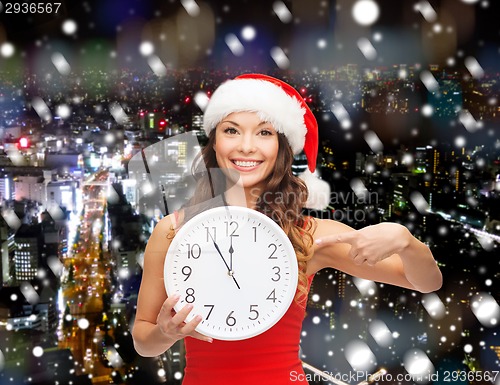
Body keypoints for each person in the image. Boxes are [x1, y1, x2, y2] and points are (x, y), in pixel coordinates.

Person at [131, 73, 443, 384]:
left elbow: (427, 282)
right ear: (214, 142)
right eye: (231, 130)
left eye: (264, 132)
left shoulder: (309, 235)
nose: (246, 146)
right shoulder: (173, 231)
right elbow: (143, 341)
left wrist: (406, 241)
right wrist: (165, 332)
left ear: (282, 147)